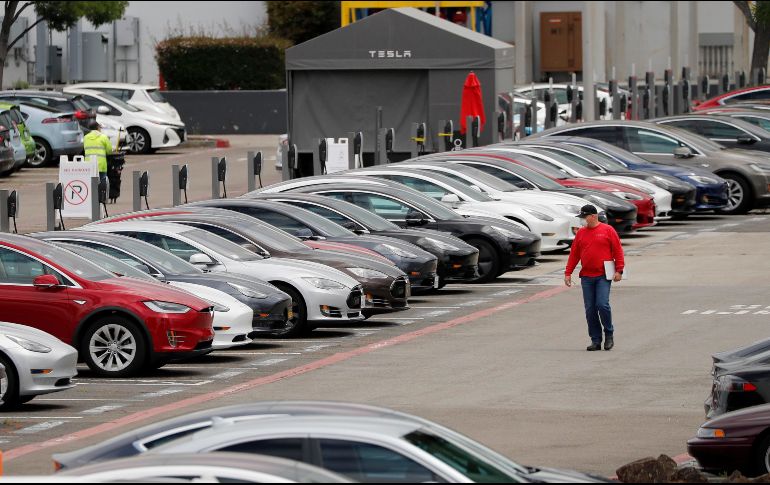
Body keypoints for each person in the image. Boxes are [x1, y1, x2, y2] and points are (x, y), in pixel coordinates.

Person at [564, 205, 625, 352]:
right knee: (590, 309)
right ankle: (595, 340)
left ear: (593, 216)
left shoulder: (608, 230)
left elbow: (618, 250)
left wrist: (620, 270)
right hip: (586, 276)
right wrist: (568, 272)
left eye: (584, 217)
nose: (582, 221)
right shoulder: (581, 233)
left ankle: (609, 333)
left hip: (603, 275)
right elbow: (574, 254)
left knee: (602, 305)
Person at [83, 119, 113, 184]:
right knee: (102, 184)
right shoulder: (104, 137)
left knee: (91, 184)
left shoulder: (85, 137)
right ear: (97, 127)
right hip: (101, 165)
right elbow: (109, 151)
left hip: (89, 165)